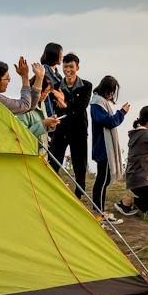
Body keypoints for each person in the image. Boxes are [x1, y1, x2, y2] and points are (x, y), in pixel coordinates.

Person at [0, 57, 59, 148]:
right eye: (6, 78)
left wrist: (39, 79)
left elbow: (28, 106)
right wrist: (25, 77)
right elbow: (25, 105)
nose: (9, 80)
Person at [46, 52, 94, 194]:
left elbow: (81, 107)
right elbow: (55, 107)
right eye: (65, 66)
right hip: (60, 129)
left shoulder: (86, 85)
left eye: (71, 66)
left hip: (79, 130)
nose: (68, 70)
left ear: (77, 67)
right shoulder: (55, 85)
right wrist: (63, 105)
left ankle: (79, 194)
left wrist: (65, 105)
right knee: (54, 161)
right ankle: (50, 190)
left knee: (80, 164)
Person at [88, 75, 130, 214]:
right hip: (103, 147)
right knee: (102, 179)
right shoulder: (97, 103)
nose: (112, 95)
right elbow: (108, 122)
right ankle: (98, 211)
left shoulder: (99, 102)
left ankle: (99, 209)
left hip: (103, 146)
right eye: (111, 91)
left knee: (104, 179)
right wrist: (122, 112)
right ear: (106, 89)